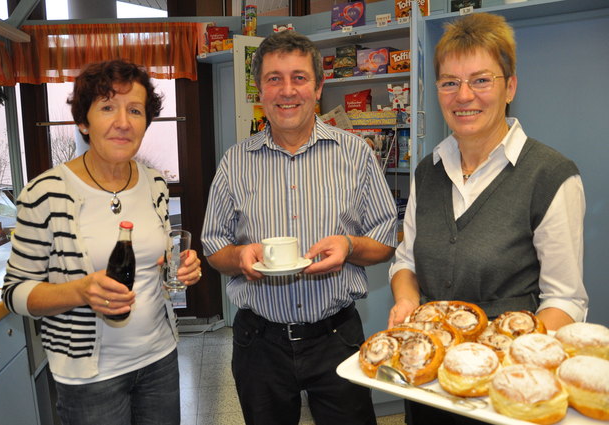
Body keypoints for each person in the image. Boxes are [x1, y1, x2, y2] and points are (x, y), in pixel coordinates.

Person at [387, 13, 588, 425]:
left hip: (507, 393)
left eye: (481, 80)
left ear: (510, 86)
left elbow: (566, 300)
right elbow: (406, 261)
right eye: (450, 82)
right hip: (429, 380)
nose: (464, 96)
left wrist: (493, 355)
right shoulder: (427, 171)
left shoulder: (550, 175)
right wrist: (407, 300)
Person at [201, 30, 398, 425]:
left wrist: (349, 246)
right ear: (259, 90)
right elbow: (213, 245)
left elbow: (386, 241)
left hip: (337, 337)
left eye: (299, 77)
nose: (287, 90)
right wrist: (239, 256)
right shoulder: (235, 162)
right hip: (259, 343)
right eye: (274, 78)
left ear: (318, 86)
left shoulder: (356, 154)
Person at [1, 59, 202, 425]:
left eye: (135, 110)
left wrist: (180, 266)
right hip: (88, 378)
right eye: (107, 107)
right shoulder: (45, 193)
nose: (123, 122)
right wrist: (81, 291)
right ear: (83, 121)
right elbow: (14, 293)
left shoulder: (155, 183)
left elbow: (157, 261)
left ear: (145, 122)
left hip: (160, 359)